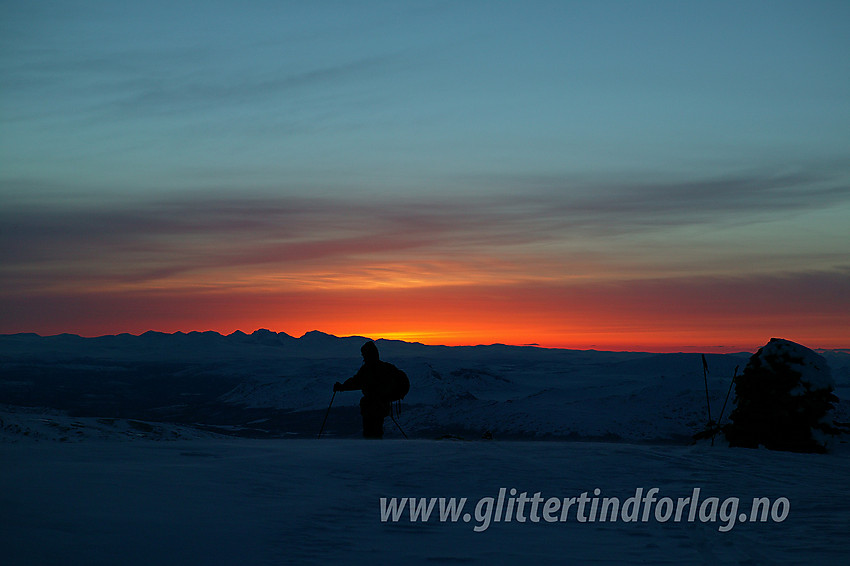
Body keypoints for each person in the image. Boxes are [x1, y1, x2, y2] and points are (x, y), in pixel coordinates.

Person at [333, 341, 399, 439]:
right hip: (382, 406)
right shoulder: (382, 367)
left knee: (370, 432)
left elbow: (357, 381)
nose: (363, 356)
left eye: (364, 354)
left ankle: (371, 451)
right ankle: (377, 450)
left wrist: (342, 387)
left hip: (372, 406)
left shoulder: (368, 368)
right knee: (377, 431)